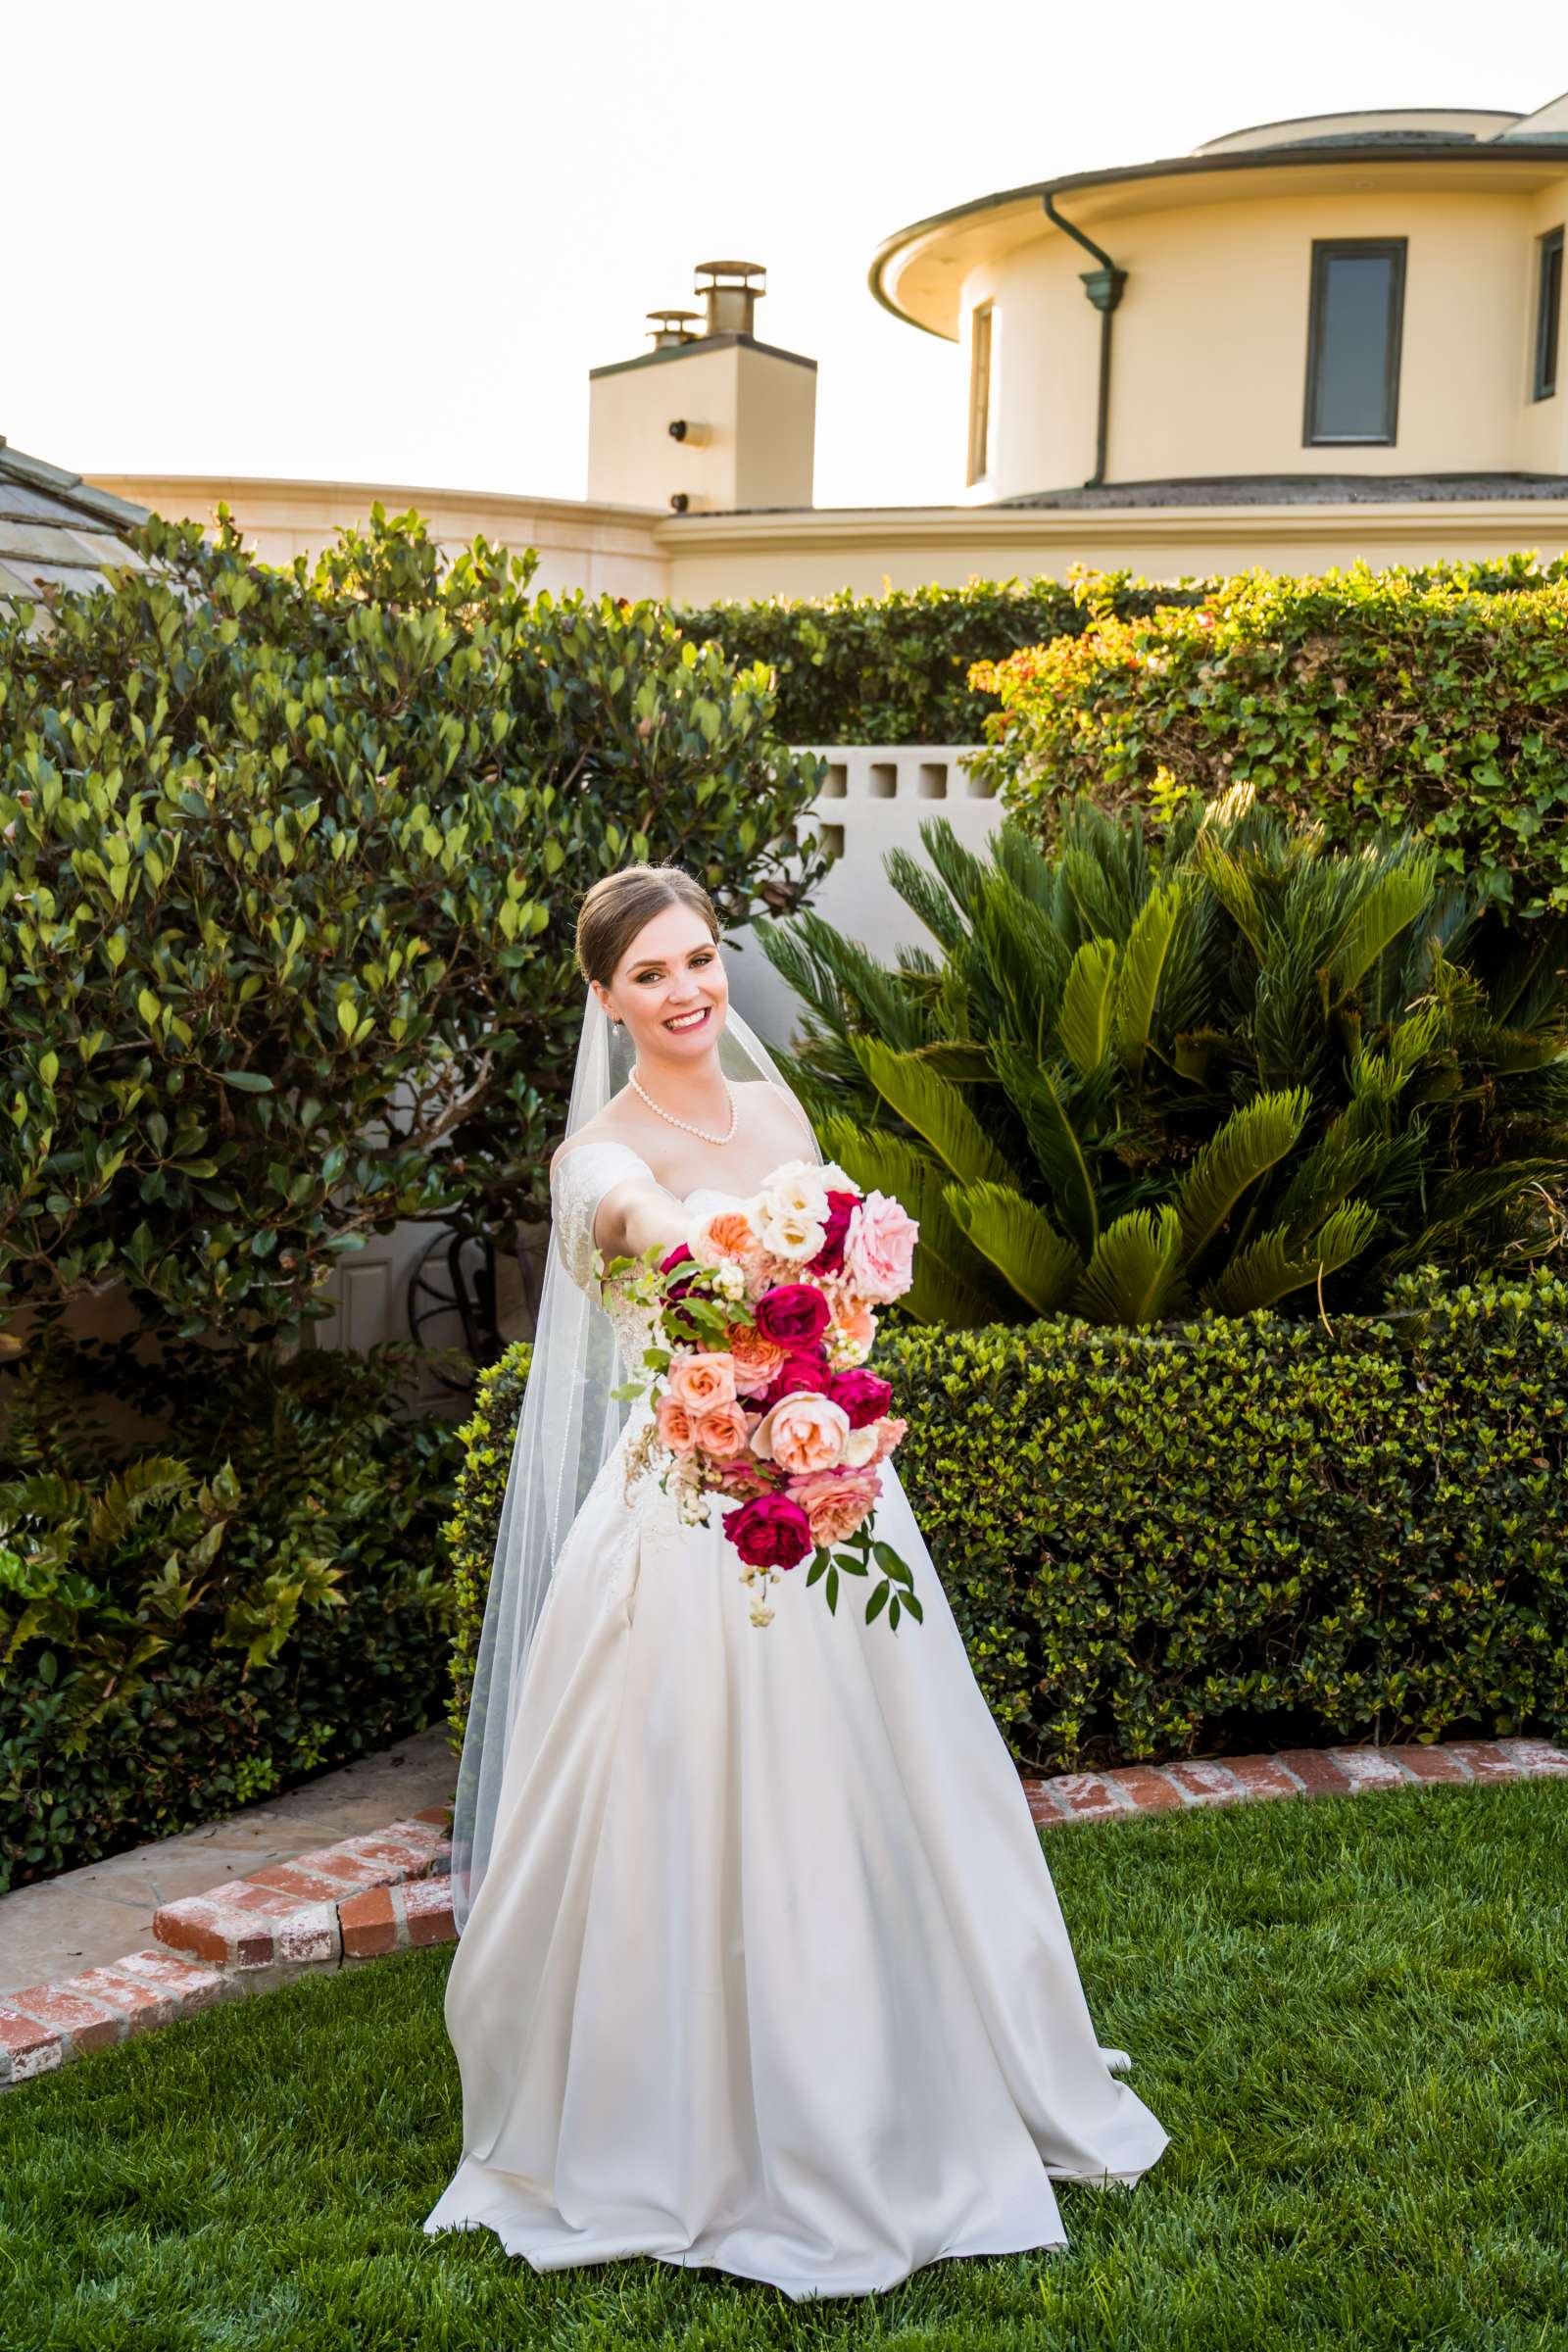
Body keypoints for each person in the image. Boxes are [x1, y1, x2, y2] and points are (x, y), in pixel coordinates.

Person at [423, 861, 1171, 2300]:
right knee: (690, 1786)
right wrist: (713, 1244)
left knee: (881, 1769)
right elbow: (641, 1225)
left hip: (828, 1481)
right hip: (692, 1501)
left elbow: (835, 1274)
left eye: (699, 960)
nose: (687, 991)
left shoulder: (772, 1108)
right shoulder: (601, 1155)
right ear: (604, 998)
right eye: (649, 974)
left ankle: (909, 2045)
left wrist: (830, 1315)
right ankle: (698, 2106)